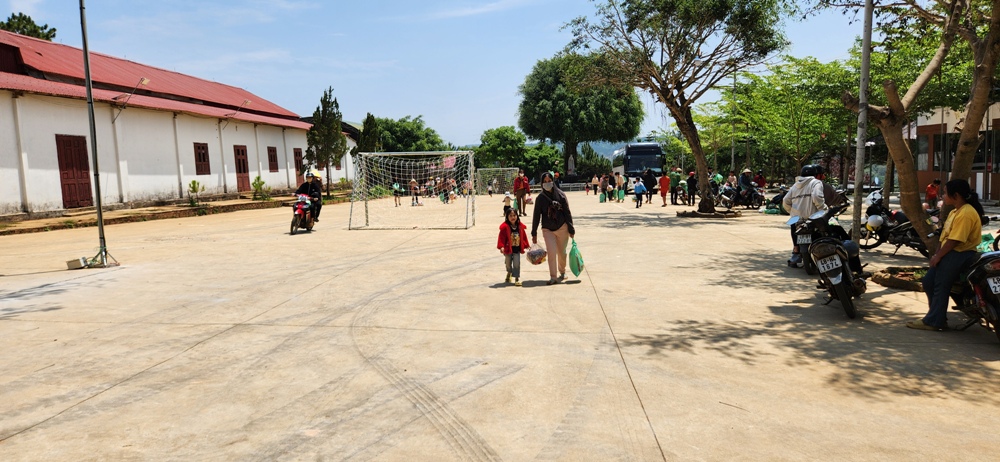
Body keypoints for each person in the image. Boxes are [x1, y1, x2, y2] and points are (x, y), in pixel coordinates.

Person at [908, 179, 985, 331]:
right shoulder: (955, 211)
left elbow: (954, 241)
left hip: (960, 253)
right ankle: (936, 317)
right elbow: (944, 237)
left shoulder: (966, 213)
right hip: (949, 252)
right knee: (929, 281)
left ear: (955, 195)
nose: (942, 196)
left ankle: (935, 321)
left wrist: (939, 256)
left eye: (944, 193)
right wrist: (937, 254)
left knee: (940, 284)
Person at [531, 172, 576, 285]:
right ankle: (553, 277)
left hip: (562, 227)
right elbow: (536, 216)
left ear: (553, 181)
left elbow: (567, 212)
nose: (547, 183)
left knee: (561, 253)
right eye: (545, 182)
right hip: (547, 229)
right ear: (542, 183)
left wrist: (571, 229)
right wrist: (534, 232)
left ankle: (562, 271)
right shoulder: (540, 198)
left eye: (549, 181)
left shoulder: (561, 195)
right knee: (551, 253)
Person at [783, 164, 827, 267]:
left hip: (797, 219)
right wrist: (823, 209)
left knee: (792, 222)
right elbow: (817, 197)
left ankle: (796, 249)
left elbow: (785, 201)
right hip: (812, 218)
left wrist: (792, 212)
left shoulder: (795, 185)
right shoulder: (816, 182)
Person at [497, 207, 528, 287]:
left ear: (517, 216)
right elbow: (501, 237)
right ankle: (509, 272)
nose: (513, 217)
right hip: (508, 249)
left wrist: (526, 244)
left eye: (514, 215)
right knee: (508, 263)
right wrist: (501, 246)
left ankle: (517, 278)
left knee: (517, 263)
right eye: (510, 216)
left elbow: (523, 236)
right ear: (507, 217)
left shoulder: (520, 226)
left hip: (517, 249)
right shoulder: (505, 227)